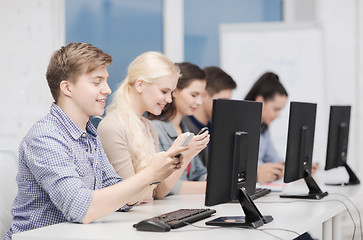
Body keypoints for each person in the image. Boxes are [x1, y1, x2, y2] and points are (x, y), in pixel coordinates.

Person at [5, 43, 187, 240]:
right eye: (97, 82)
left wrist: (158, 172)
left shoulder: (89, 134)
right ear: (67, 88)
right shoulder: (45, 137)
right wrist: (150, 173)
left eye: (106, 81)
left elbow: (123, 197)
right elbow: (82, 209)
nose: (107, 89)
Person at [98, 54, 209, 200]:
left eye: (171, 93)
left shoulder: (149, 127)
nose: (169, 99)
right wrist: (168, 159)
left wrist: (185, 155)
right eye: (164, 91)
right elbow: (128, 198)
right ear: (140, 85)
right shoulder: (111, 127)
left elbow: (158, 192)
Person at [147, 62, 210, 194]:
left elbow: (199, 173)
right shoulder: (155, 129)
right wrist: (213, 187)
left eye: (201, 96)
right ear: (174, 91)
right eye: (194, 95)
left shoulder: (185, 129)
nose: (199, 102)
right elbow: (164, 187)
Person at [245, 72, 319, 183]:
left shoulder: (263, 129)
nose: (278, 115)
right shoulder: (240, 127)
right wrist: (256, 175)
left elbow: (274, 159)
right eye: (276, 109)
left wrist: (296, 167)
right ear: (260, 101)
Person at [182, 66, 237, 167]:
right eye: (223, 101)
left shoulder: (216, 128)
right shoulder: (184, 129)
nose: (227, 107)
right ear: (205, 95)